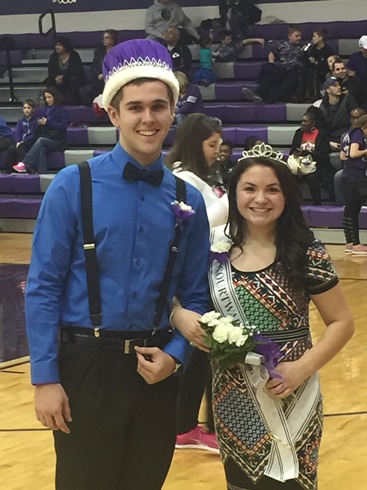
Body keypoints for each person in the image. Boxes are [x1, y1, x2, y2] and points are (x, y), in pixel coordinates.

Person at [25, 39, 210, 490]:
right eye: (135, 107)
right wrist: (45, 378)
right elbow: (43, 287)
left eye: (158, 106)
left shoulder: (189, 199)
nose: (147, 118)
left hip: (156, 369)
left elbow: (197, 294)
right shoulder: (72, 186)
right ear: (113, 114)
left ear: (172, 113)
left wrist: (177, 356)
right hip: (84, 367)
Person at [173, 143, 354, 489]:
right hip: (232, 402)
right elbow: (173, 298)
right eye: (250, 189)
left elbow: (342, 323)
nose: (261, 199)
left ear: (287, 196)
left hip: (292, 394)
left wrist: (302, 369)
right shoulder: (209, 247)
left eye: (273, 189)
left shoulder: (307, 251)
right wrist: (180, 316)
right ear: (234, 194)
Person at [166, 113, 228, 452]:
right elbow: (200, 227)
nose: (216, 152)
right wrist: (234, 200)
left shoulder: (202, 177)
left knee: (205, 355)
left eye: (218, 145)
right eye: (211, 145)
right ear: (194, 144)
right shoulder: (181, 178)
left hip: (209, 275)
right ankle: (183, 426)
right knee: (194, 352)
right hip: (190, 280)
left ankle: (194, 423)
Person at [242, 25, 305, 103]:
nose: (299, 38)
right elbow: (272, 54)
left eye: (300, 36)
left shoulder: (303, 47)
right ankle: (258, 94)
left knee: (291, 80)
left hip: (294, 69)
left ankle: (270, 98)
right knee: (270, 73)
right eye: (297, 36)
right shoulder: (282, 44)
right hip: (283, 67)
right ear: (289, 36)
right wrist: (271, 64)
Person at [13, 87, 68, 174]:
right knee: (41, 149)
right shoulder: (44, 109)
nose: (47, 100)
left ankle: (25, 163)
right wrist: (40, 123)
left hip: (58, 139)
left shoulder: (62, 110)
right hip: (47, 135)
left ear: (55, 97)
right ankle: (42, 174)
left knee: (40, 141)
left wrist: (48, 122)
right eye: (46, 98)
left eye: (49, 97)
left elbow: (63, 126)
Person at [289, 111, 335, 205]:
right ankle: (293, 203)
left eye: (306, 121)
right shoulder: (299, 133)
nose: (302, 123)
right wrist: (297, 153)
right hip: (300, 164)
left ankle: (317, 203)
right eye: (302, 121)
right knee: (288, 175)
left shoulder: (322, 135)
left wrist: (307, 153)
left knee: (312, 177)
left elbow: (323, 155)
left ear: (313, 123)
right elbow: (292, 150)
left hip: (319, 165)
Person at [340, 113, 367, 255]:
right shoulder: (357, 133)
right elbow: (354, 153)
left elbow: (342, 155)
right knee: (354, 209)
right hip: (355, 176)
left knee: (349, 210)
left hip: (346, 173)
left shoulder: (347, 134)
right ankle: (356, 244)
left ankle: (350, 243)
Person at [79, 29, 118, 106]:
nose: (104, 40)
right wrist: (98, 74)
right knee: (84, 90)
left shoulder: (118, 51)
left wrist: (107, 74)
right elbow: (94, 66)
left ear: (113, 39)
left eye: (107, 38)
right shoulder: (99, 52)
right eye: (103, 38)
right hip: (99, 79)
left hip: (113, 78)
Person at [318, 77, 358, 151]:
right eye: (334, 85)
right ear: (328, 90)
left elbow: (356, 118)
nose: (339, 87)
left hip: (348, 136)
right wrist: (328, 142)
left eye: (339, 85)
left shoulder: (348, 99)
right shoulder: (322, 106)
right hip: (331, 138)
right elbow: (322, 128)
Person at [45, 36, 85, 106]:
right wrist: (56, 77)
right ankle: (52, 103)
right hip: (57, 79)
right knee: (49, 82)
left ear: (65, 46)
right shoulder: (53, 56)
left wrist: (64, 76)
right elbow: (51, 70)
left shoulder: (74, 55)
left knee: (75, 82)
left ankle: (74, 104)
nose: (57, 47)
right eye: (56, 45)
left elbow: (77, 70)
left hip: (70, 78)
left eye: (60, 45)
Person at [301, 29, 334, 101]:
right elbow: (305, 61)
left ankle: (315, 95)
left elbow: (328, 64)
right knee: (304, 70)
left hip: (323, 70)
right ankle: (301, 94)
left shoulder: (328, 50)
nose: (312, 38)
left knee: (313, 72)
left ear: (320, 38)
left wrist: (316, 62)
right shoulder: (312, 48)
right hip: (311, 69)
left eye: (314, 36)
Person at [5, 99, 38, 173]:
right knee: (11, 149)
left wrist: (23, 142)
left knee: (21, 147)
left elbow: (34, 134)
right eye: (25, 108)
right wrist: (18, 141)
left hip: (30, 142)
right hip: (20, 142)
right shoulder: (20, 121)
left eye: (29, 108)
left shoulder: (36, 120)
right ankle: (9, 171)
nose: (26, 110)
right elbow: (17, 132)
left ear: (33, 109)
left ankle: (26, 168)